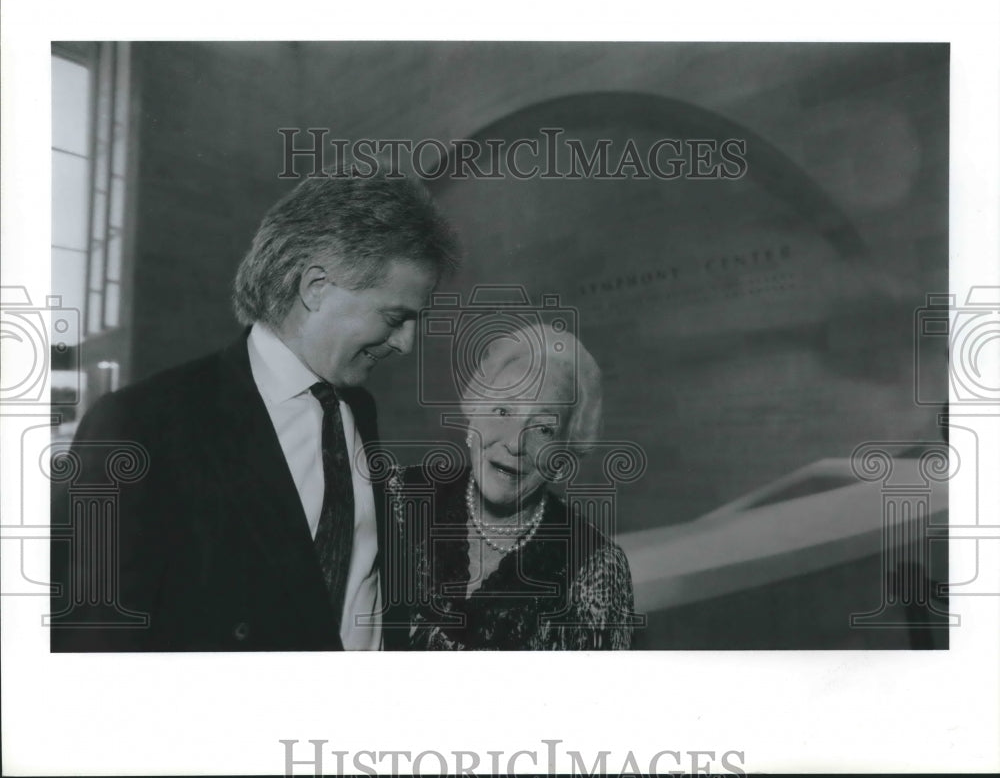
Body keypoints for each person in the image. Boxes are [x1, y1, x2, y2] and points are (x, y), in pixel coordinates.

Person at [50, 170, 458, 652]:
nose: (406, 344)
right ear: (316, 288)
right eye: (395, 318)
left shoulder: (357, 410)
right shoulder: (139, 426)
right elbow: (93, 643)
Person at [386, 323, 636, 650]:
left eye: (544, 430)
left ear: (562, 456)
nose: (515, 443)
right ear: (473, 413)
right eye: (503, 410)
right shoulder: (397, 496)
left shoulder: (595, 567)